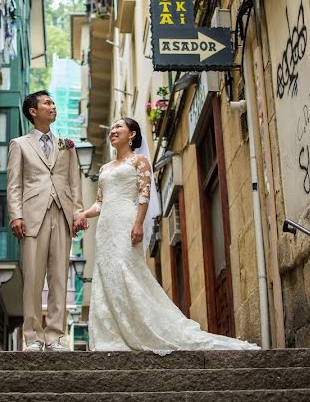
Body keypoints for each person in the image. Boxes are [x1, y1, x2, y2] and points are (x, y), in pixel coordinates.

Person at [76, 117, 259, 353]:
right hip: (105, 229)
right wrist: (83, 215)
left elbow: (144, 193)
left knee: (129, 273)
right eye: (111, 128)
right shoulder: (104, 169)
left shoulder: (139, 161)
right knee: (107, 275)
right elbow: (100, 204)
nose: (113, 131)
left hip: (126, 222)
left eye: (118, 127)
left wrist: (139, 223)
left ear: (132, 134)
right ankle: (113, 334)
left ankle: (145, 328)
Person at [6, 91, 85, 351]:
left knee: (59, 277)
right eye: (47, 103)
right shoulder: (19, 144)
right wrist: (16, 214)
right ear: (33, 111)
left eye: (53, 103)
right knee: (33, 278)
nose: (53, 106)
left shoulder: (67, 145)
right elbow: (14, 183)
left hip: (61, 214)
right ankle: (32, 336)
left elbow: (75, 182)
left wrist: (77, 213)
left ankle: (55, 336)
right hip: (31, 217)